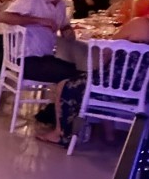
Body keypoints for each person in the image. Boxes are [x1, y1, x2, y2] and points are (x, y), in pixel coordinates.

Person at [37, 14, 149, 147]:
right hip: (142, 93)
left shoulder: (138, 24)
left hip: (111, 88)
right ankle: (109, 134)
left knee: (65, 84)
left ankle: (59, 133)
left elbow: (107, 49)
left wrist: (98, 69)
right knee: (99, 82)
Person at [0, 0, 78, 85]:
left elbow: (63, 25)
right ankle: (63, 96)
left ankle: (61, 96)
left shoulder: (60, 4)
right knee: (75, 74)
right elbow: (3, 17)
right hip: (26, 60)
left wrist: (67, 30)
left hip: (46, 57)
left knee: (78, 68)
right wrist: (38, 21)